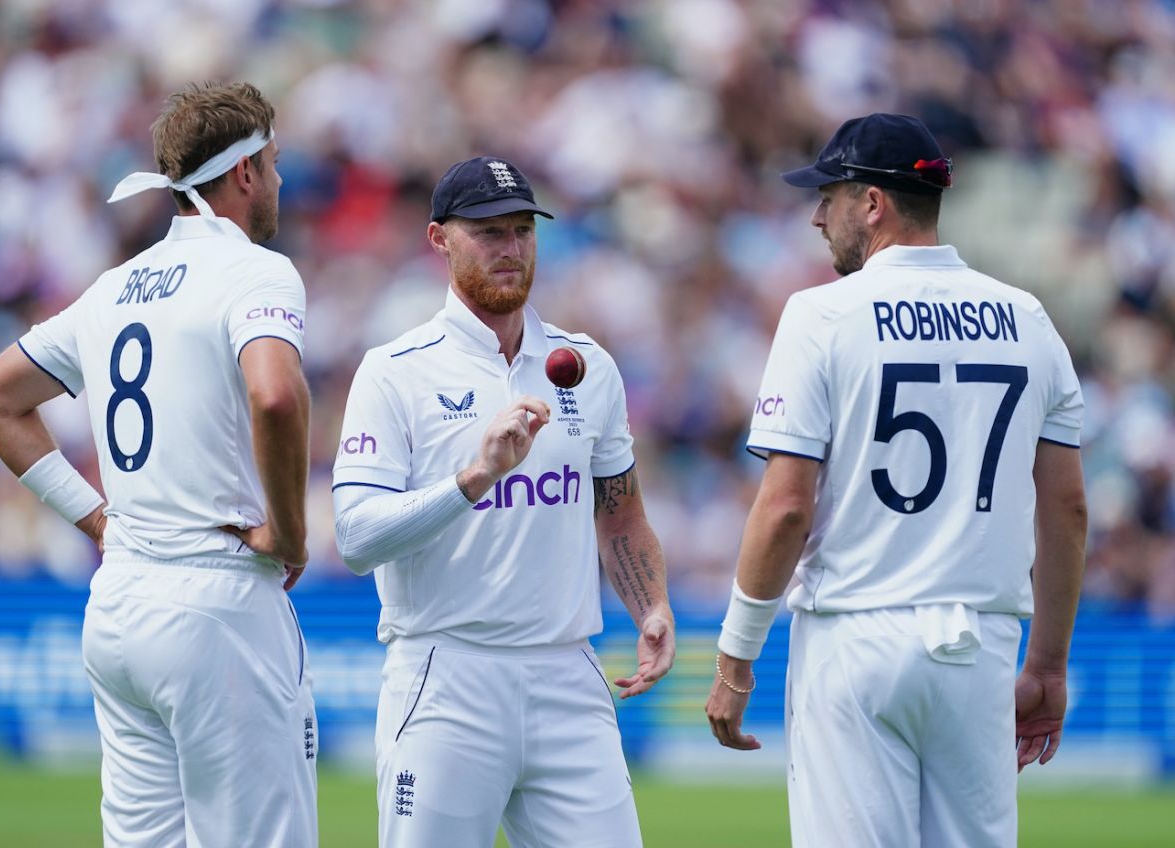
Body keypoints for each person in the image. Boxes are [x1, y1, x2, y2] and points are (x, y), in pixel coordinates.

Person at [704, 114, 1088, 847]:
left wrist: (736, 656)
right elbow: (1066, 508)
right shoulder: (1027, 317)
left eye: (831, 196)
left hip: (857, 635)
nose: (818, 215)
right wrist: (1047, 663)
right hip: (979, 646)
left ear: (873, 204)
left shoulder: (820, 314)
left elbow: (786, 508)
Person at [0, 82, 316, 847]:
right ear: (246, 171)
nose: (282, 181)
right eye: (276, 163)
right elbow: (277, 396)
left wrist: (95, 518)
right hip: (216, 600)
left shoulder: (112, 288)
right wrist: (290, 533)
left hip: (119, 602)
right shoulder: (256, 271)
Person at [332, 156, 675, 847]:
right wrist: (475, 477)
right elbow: (356, 538)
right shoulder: (396, 371)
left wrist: (652, 606)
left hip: (569, 676)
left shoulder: (588, 366)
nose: (511, 249)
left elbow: (620, 511)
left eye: (522, 231)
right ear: (439, 239)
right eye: (489, 233)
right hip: (446, 675)